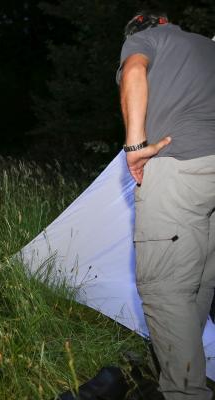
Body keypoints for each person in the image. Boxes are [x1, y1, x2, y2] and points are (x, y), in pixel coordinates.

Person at [117, 11, 215, 399]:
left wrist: (136, 146)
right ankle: (188, 370)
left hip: (181, 169)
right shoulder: (205, 46)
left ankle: (184, 392)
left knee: (164, 286)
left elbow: (134, 73)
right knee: (198, 280)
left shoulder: (144, 41)